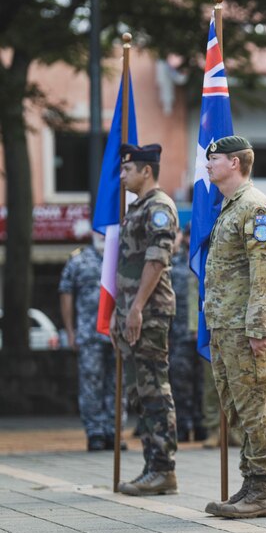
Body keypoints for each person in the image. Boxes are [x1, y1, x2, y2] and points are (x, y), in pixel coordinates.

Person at [202, 135, 266, 519]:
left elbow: (264, 273)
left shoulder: (255, 207)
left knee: (254, 405)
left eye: (213, 158)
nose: (208, 163)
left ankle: (263, 489)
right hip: (224, 325)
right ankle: (250, 483)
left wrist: (259, 327)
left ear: (235, 162)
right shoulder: (229, 207)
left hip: (246, 327)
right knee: (235, 407)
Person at [112, 143, 180, 496]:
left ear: (146, 171)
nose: (122, 176)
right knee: (141, 392)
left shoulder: (159, 207)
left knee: (155, 389)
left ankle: (163, 469)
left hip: (150, 312)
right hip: (133, 310)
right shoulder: (137, 207)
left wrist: (136, 307)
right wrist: (119, 311)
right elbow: (127, 264)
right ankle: (152, 465)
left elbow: (156, 260)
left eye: (127, 170)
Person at [59, 233, 125, 451]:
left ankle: (114, 431)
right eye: (99, 231)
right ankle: (95, 431)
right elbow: (66, 293)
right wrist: (70, 330)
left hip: (117, 333)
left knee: (117, 384)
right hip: (89, 334)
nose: (103, 235)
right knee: (91, 383)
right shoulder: (78, 259)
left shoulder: (122, 257)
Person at [169, 225, 200, 442]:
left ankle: (200, 426)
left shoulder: (206, 261)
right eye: (187, 235)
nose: (190, 239)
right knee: (179, 382)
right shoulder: (173, 265)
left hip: (203, 333)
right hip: (179, 333)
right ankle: (181, 425)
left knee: (203, 385)